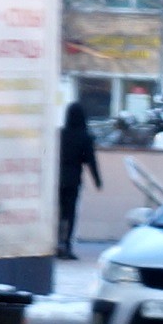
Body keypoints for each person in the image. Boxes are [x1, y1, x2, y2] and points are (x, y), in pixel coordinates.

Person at [57, 102, 102, 259]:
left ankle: (56, 243)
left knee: (58, 212)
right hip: (73, 180)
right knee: (70, 214)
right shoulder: (84, 137)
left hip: (57, 180)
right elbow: (91, 161)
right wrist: (97, 180)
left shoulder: (61, 135)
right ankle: (66, 245)